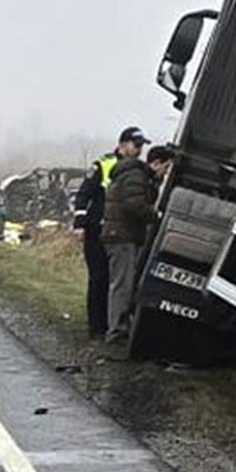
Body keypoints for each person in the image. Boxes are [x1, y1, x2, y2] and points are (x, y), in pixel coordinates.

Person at [72, 126, 150, 338]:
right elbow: (83, 195)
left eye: (142, 146)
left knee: (114, 280)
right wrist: (79, 223)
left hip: (118, 232)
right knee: (98, 279)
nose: (140, 150)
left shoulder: (137, 170)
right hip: (96, 229)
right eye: (137, 145)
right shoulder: (103, 165)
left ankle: (110, 324)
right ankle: (96, 327)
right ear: (123, 144)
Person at [100, 143, 174, 342]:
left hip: (120, 234)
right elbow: (134, 205)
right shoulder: (136, 177)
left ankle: (119, 327)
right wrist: (157, 215)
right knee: (122, 284)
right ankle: (116, 330)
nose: (166, 174)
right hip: (122, 236)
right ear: (156, 163)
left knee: (123, 283)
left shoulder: (137, 176)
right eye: (166, 168)